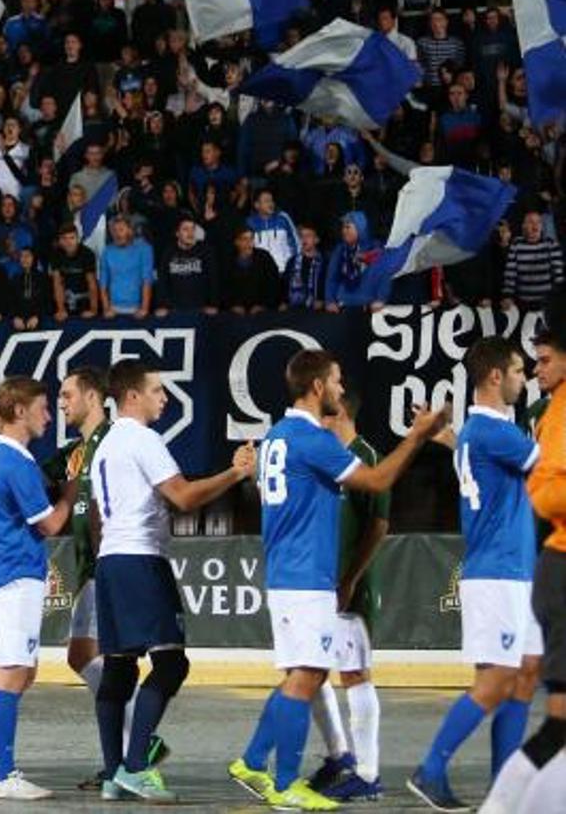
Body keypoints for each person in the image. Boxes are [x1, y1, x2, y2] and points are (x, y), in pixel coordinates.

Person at [229, 349, 445, 810]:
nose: (341, 389)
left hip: (288, 573)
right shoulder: (313, 439)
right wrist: (417, 436)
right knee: (307, 676)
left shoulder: (277, 436)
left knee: (302, 676)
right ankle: (285, 784)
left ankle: (253, 761)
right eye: (337, 380)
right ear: (317, 386)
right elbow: (378, 480)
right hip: (307, 578)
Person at [89, 358, 256, 802]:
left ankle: (113, 774)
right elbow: (183, 496)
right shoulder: (143, 439)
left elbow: (98, 516)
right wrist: (236, 473)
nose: (164, 398)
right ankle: (136, 767)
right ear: (132, 396)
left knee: (119, 668)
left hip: (111, 560)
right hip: (141, 559)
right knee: (171, 664)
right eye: (157, 390)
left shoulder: (104, 445)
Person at [407, 337, 542, 811]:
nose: (525, 379)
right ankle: (431, 769)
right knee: (495, 682)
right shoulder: (494, 432)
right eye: (519, 371)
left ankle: (504, 789)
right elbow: (548, 465)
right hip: (498, 573)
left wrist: (446, 437)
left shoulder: (478, 431)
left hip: (512, 570)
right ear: (495, 376)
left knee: (525, 675)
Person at [0, 376, 82, 799]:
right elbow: (51, 524)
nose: (49, 416)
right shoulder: (16, 462)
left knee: (21, 672)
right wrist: (71, 492)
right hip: (14, 577)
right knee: (12, 675)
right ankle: (3, 775)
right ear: (21, 411)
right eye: (43, 408)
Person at [41, 366, 167, 787]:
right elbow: (34, 474)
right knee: (88, 657)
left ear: (93, 397)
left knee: (116, 663)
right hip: (89, 568)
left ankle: (135, 752)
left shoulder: (115, 440)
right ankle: (130, 753)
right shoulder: (72, 454)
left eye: (67, 395)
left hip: (110, 565)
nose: (61, 403)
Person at [483, 327, 566, 811]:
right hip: (556, 563)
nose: (536, 371)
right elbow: (545, 492)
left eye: (545, 359)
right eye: (533, 361)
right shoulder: (551, 415)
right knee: (558, 724)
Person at [302, 391, 389, 802]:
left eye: (323, 417)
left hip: (349, 585)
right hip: (320, 584)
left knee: (354, 673)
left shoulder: (365, 457)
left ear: (339, 415)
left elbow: (378, 525)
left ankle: (368, 774)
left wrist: (351, 579)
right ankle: (340, 757)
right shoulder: (326, 458)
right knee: (308, 671)